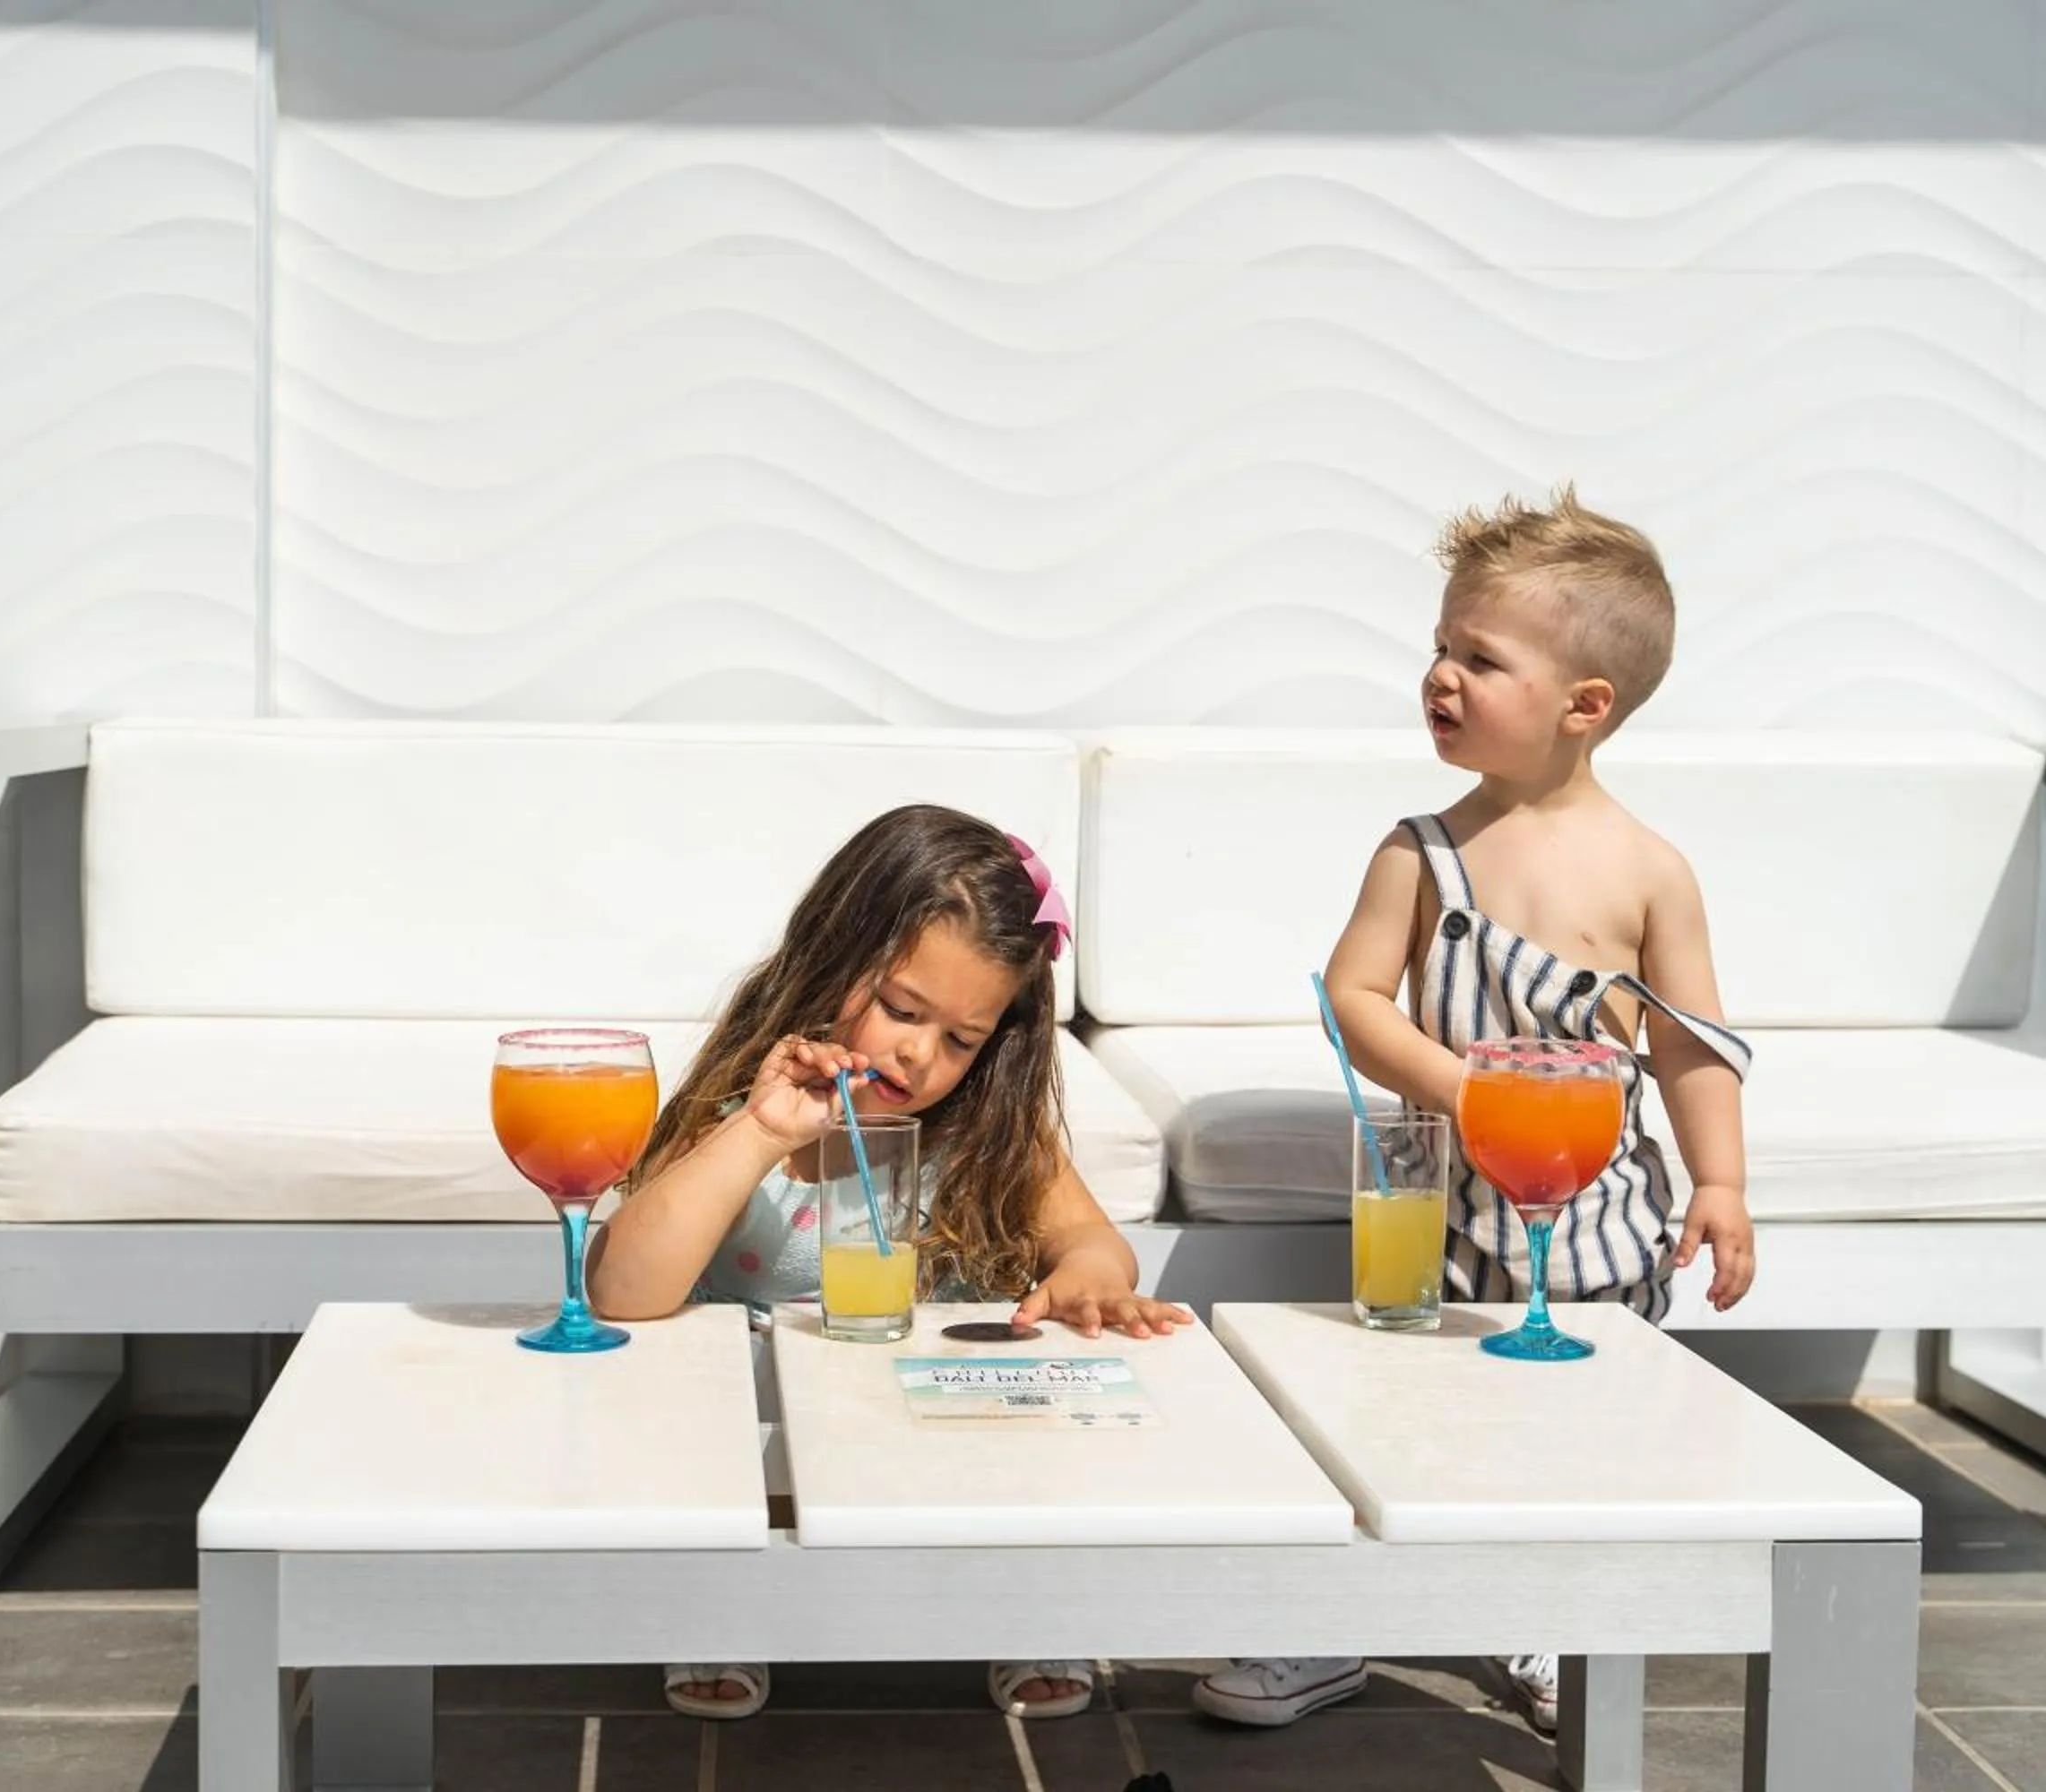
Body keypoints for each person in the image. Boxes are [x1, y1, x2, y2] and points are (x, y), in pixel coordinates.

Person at [1195, 487, 1753, 1736]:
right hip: (1445, 1201)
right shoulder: (1420, 851)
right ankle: (1336, 1626)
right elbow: (1354, 997)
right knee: (1401, 1408)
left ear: (1583, 705)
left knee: (1580, 1428)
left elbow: (1692, 1047)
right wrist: (1462, 1089)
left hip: (1600, 1213)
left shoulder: (1651, 870)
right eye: (1440, 648)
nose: (1440, 676)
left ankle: (1555, 1626)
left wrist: (1720, 1183)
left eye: (1479, 659)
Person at [588, 802, 1193, 1722]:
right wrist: (757, 1133)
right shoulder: (750, 1116)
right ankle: (724, 1595)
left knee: (1041, 1388)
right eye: (903, 1009)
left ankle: (1022, 1600)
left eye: (962, 1038)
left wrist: (1092, 1273)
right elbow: (621, 1291)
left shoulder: (986, 1136)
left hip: (938, 1426)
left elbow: (1090, 1239)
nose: (920, 1052)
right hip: (767, 1443)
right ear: (834, 955)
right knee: (695, 1407)